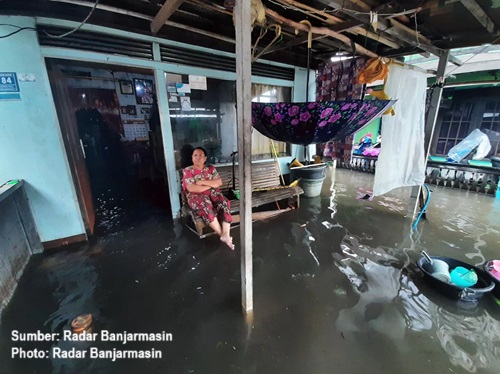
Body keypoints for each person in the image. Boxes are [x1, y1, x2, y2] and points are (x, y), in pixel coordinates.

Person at [182, 147, 234, 250]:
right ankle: (223, 235)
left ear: (205, 158)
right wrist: (211, 185)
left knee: (223, 202)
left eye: (200, 155)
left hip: (213, 194)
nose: (197, 157)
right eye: (195, 155)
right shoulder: (188, 171)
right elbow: (191, 188)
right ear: (192, 158)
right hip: (196, 196)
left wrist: (201, 182)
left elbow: (219, 182)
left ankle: (226, 234)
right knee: (205, 205)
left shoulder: (211, 169)